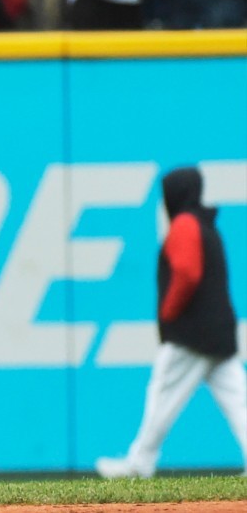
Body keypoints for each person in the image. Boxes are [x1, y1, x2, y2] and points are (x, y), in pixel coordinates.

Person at [98, 167, 247, 479]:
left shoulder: (184, 224)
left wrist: (169, 310)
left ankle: (140, 463)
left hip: (191, 335)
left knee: (162, 392)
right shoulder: (207, 226)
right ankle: (140, 460)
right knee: (238, 400)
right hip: (219, 332)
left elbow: (188, 273)